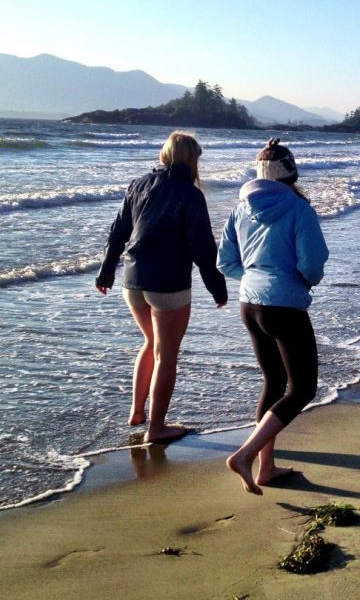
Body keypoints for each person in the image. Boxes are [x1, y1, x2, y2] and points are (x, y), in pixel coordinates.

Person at [95, 131, 228, 443]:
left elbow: (118, 233)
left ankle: (137, 412)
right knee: (166, 354)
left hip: (133, 280)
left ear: (165, 155)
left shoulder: (138, 184)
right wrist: (217, 289)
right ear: (192, 159)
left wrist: (105, 274)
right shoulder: (190, 195)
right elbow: (203, 248)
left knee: (149, 342)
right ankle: (156, 429)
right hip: (168, 283)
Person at [217, 137, 328, 495]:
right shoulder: (299, 209)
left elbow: (225, 263)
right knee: (302, 388)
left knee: (275, 382)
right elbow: (311, 264)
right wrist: (300, 283)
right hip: (283, 304)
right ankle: (246, 455)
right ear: (291, 173)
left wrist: (253, 279)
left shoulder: (240, 209)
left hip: (249, 304)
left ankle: (266, 467)